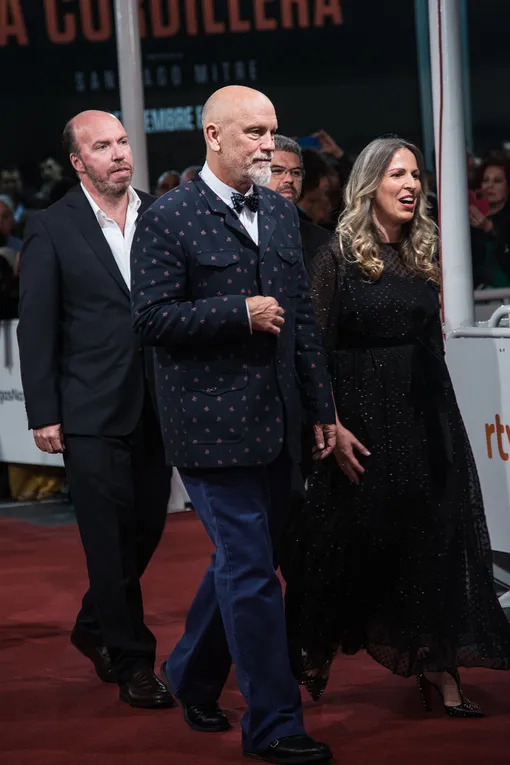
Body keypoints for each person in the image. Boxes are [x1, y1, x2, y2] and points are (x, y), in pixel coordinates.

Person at [131, 85, 336, 764]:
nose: (267, 145)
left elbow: (301, 321)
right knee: (251, 573)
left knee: (243, 564)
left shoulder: (279, 214)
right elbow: (152, 319)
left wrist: (321, 409)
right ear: (212, 135)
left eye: (273, 131)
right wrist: (237, 313)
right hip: (210, 430)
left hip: (279, 421)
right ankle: (275, 724)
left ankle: (189, 673)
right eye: (252, 132)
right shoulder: (166, 217)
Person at [283, 136, 510, 716]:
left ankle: (439, 667)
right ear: (369, 185)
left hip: (423, 417)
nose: (410, 185)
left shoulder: (420, 250)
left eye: (415, 175)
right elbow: (312, 350)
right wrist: (330, 425)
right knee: (343, 544)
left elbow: (430, 346)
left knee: (434, 543)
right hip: (358, 425)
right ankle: (312, 649)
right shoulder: (337, 257)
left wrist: (447, 430)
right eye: (397, 175)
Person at [17, 110, 173, 709]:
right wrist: (44, 412)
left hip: (161, 402)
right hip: (88, 410)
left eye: (122, 142)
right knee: (107, 542)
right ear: (79, 163)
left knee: (148, 530)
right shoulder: (51, 227)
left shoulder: (161, 215)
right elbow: (38, 327)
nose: (118, 154)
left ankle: (93, 626)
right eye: (102, 146)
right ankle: (133, 661)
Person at [267, 135, 330, 270]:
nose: (289, 179)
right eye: (277, 171)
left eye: (296, 173)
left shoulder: (322, 241)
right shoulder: (231, 231)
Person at [470, 156, 510, 288]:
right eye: (485, 180)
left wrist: (488, 227)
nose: (490, 186)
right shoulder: (469, 219)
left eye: (497, 181)